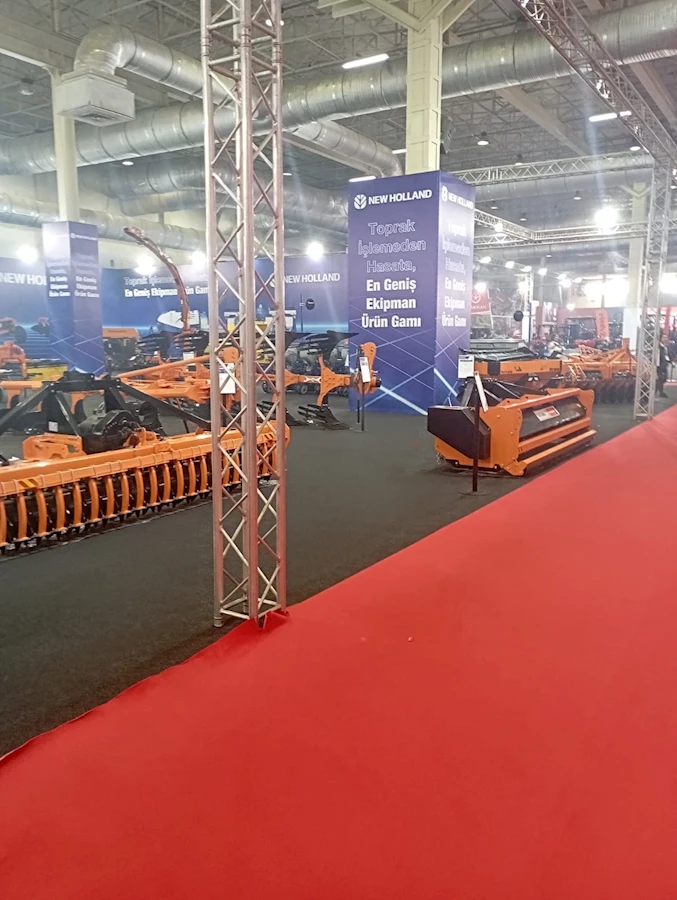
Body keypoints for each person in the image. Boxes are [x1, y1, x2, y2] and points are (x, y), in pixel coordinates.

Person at [657, 334, 670, 398]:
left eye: (666, 337)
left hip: (665, 365)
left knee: (664, 379)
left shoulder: (666, 347)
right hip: (660, 365)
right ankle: (660, 392)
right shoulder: (659, 347)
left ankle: (660, 391)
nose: (665, 339)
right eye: (664, 337)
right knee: (660, 379)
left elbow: (667, 355)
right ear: (661, 338)